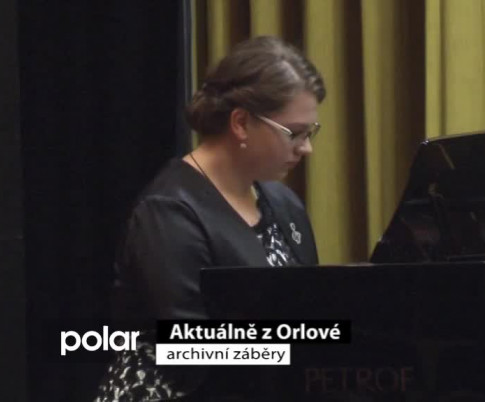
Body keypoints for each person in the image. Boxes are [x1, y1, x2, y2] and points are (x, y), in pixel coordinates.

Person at [95, 36, 325, 401]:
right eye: (294, 133)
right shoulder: (168, 212)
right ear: (241, 123)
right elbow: (193, 350)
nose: (306, 148)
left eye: (310, 133)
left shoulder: (284, 204)